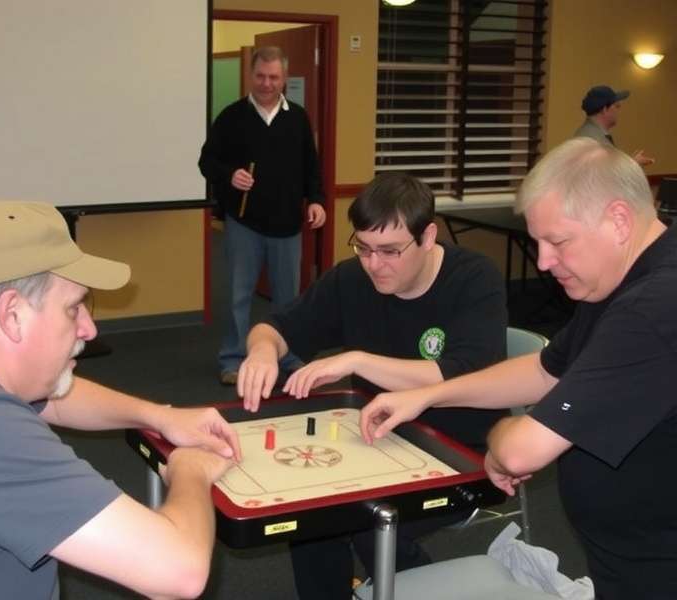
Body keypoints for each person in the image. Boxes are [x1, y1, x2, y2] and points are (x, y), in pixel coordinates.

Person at [0, 201, 242, 600]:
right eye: (73, 308)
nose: (89, 327)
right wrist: (190, 471)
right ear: (12, 314)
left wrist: (159, 416)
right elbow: (179, 572)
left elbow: (53, 396)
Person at [361, 138, 676, 600]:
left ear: (619, 221)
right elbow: (547, 370)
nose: (544, 262)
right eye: (538, 242)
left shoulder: (653, 307)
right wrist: (427, 395)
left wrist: (497, 439)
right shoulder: (619, 278)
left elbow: (520, 453)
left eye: (558, 242)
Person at [239, 172, 508, 600]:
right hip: (373, 439)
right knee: (311, 517)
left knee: (364, 523)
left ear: (428, 237)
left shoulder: (474, 278)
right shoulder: (352, 279)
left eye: (389, 251)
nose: (373, 264)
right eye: (363, 248)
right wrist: (262, 351)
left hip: (462, 453)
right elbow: (274, 326)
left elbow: (462, 373)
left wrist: (357, 359)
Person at [199, 45, 326, 386]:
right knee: (237, 296)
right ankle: (233, 358)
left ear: (284, 78)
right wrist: (230, 175)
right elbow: (207, 161)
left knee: (289, 301)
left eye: (274, 77)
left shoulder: (297, 117)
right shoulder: (232, 116)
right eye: (260, 76)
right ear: (250, 75)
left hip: (288, 225)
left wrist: (316, 200)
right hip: (244, 224)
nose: (267, 83)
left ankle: (289, 357)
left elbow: (311, 167)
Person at [573, 84, 654, 166]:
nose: (619, 111)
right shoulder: (592, 140)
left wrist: (630, 162)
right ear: (604, 109)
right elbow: (603, 175)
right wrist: (633, 164)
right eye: (617, 106)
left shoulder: (592, 133)